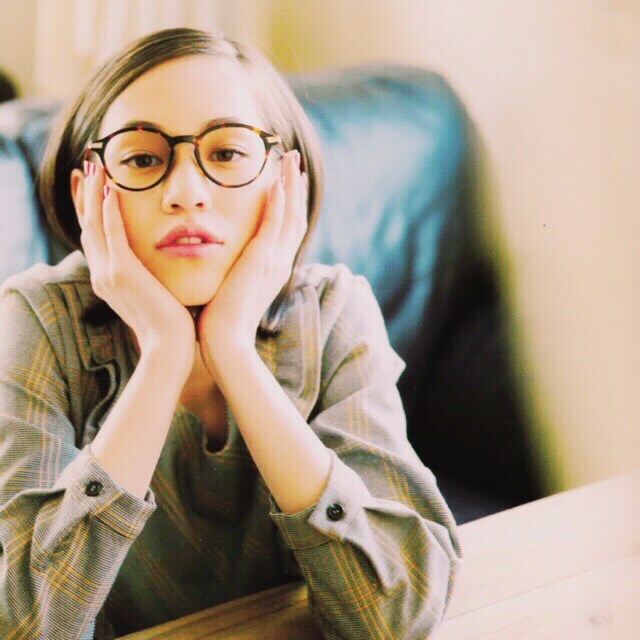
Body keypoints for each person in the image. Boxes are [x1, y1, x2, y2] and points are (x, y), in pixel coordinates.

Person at [0, 27, 463, 640]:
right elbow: (28, 625)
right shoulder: (37, 321)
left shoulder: (333, 312)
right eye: (142, 159)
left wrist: (233, 352)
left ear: (287, 180)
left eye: (226, 153)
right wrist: (164, 354)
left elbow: (395, 617)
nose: (186, 194)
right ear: (88, 192)